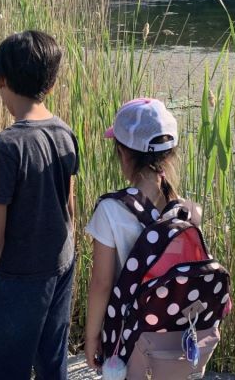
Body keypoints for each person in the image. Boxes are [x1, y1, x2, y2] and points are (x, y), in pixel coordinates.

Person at [0, 30, 79, 380]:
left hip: (18, 280)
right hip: (61, 265)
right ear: (51, 81)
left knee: (3, 369)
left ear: (1, 78)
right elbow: (70, 208)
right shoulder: (64, 131)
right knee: (52, 363)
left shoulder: (3, 148)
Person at [83, 98, 184, 373]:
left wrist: (92, 337)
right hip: (172, 336)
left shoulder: (110, 210)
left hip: (127, 337)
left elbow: (102, 283)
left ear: (123, 153)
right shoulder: (185, 211)